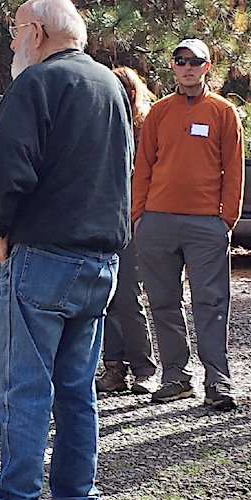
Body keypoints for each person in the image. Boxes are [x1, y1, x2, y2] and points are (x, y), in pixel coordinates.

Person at [0, 0, 134, 500]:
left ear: (38, 32)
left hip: (43, 255)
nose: (10, 45)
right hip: (99, 260)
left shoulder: (35, 84)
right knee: (76, 392)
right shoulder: (111, 88)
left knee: (22, 390)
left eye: (13, 32)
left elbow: (7, 168)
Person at [132, 40, 244, 410]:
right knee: (163, 302)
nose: (187, 67)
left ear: (207, 66)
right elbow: (143, 166)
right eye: (180, 61)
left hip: (206, 224)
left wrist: (226, 218)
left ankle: (219, 381)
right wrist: (139, 215)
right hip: (157, 222)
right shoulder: (159, 113)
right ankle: (176, 377)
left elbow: (234, 169)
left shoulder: (223, 112)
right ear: (173, 66)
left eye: (195, 61)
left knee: (210, 302)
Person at [96, 66, 157, 396]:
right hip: (102, 222)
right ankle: (114, 369)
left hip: (134, 223)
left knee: (128, 297)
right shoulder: (100, 126)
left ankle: (144, 369)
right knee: (106, 299)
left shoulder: (144, 129)